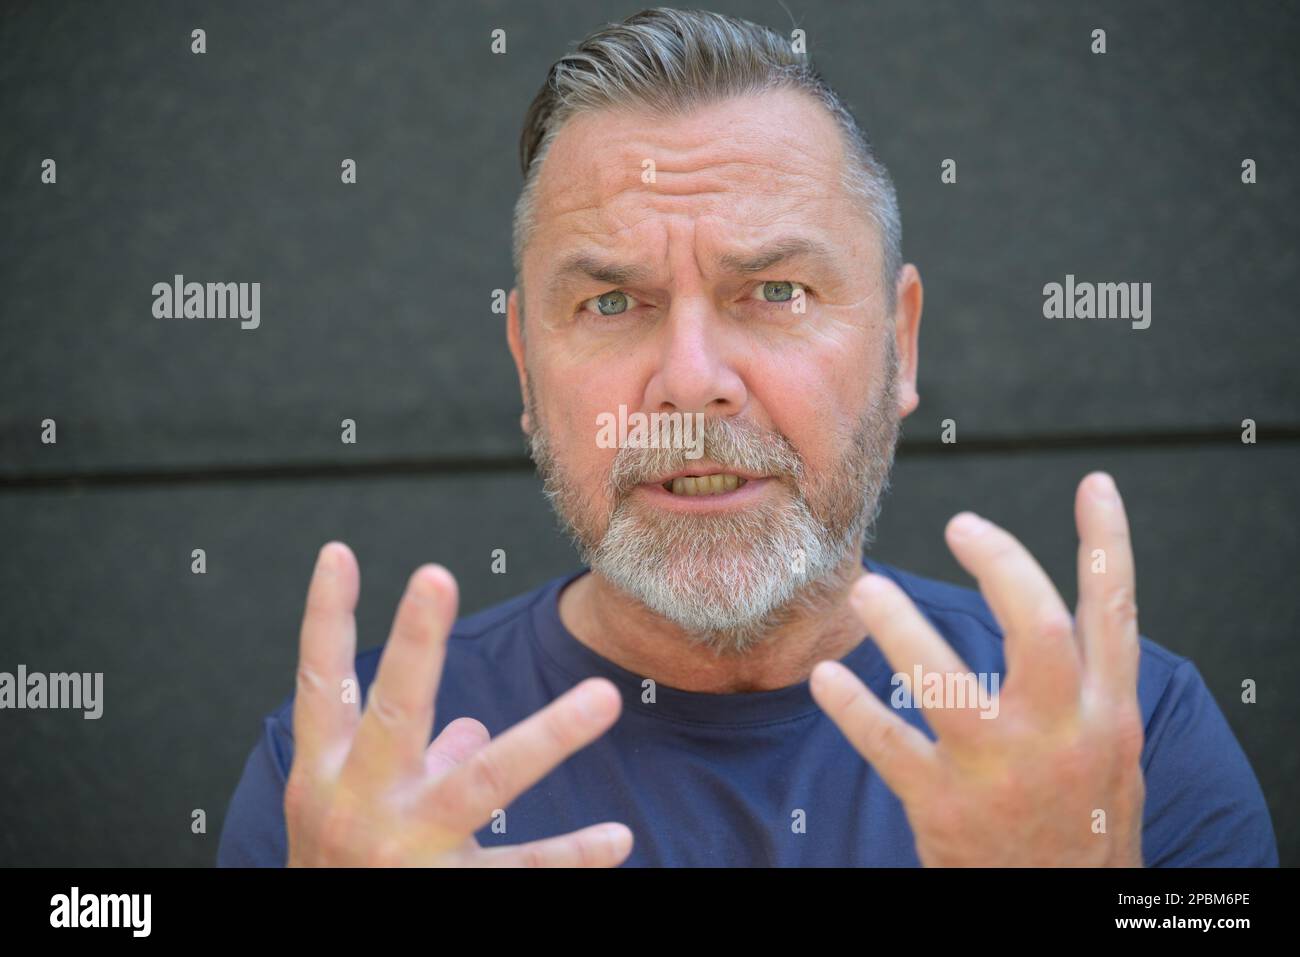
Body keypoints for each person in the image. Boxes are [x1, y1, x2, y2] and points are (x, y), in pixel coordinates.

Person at [217, 7, 1277, 867]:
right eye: (610, 304)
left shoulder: (1123, 738)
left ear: (901, 346)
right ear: (525, 368)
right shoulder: (350, 782)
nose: (690, 380)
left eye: (774, 290)